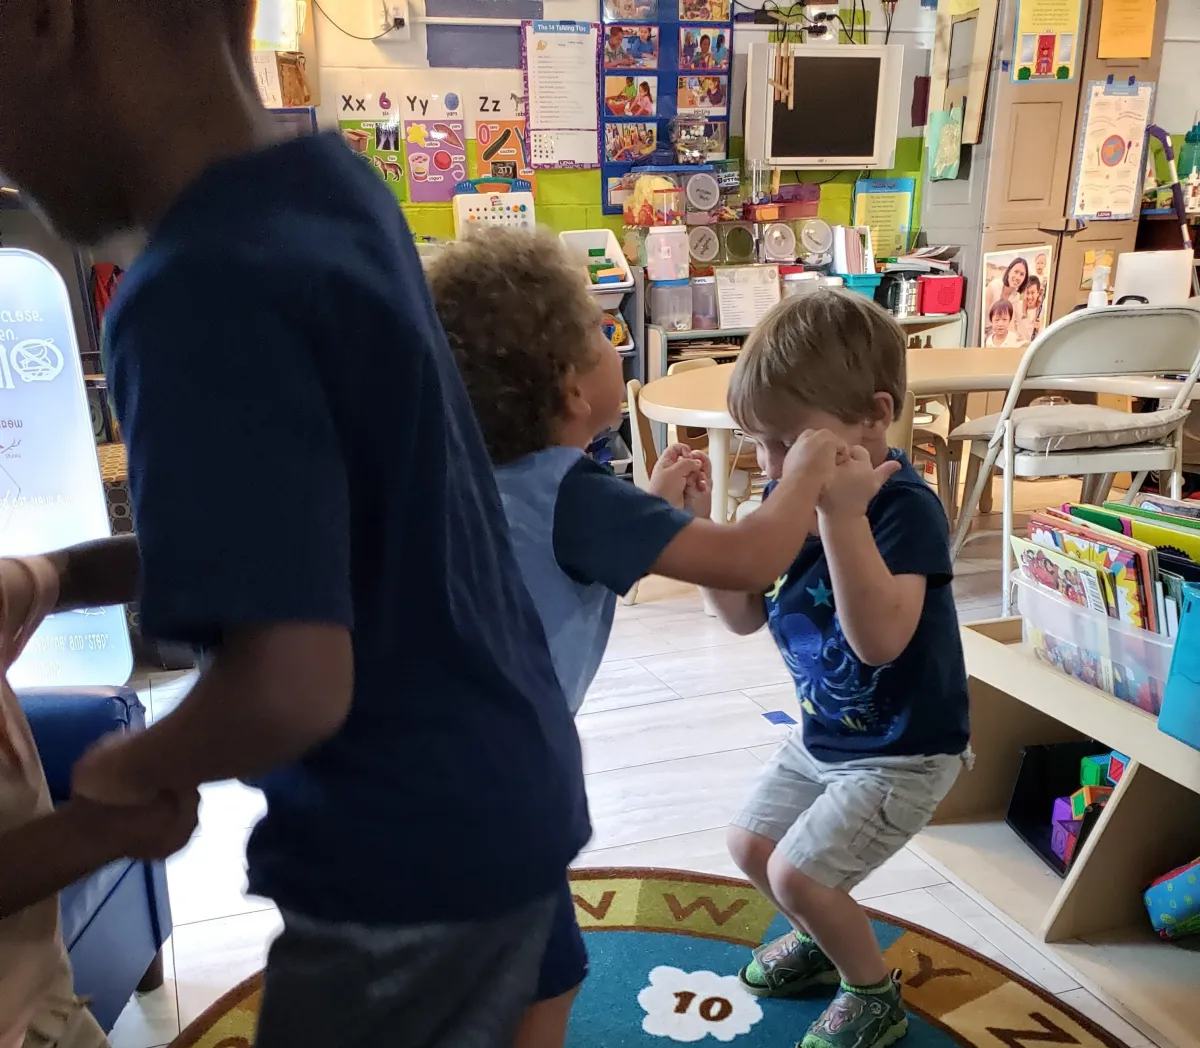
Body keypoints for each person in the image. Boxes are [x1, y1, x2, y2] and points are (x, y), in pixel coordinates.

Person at [0, 4, 590, 1047]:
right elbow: (309, 531)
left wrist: (125, 771)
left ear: (46, 23)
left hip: (398, 856)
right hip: (506, 778)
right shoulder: (339, 192)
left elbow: (291, 684)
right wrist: (54, 576)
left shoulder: (189, 294)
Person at [426, 231, 900, 1048]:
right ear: (575, 390)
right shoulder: (575, 497)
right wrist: (801, 479)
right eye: (605, 341)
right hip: (501, 784)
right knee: (545, 971)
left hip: (419, 769)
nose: (618, 353)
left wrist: (652, 503)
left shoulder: (459, 470)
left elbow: (573, 564)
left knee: (460, 949)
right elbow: (754, 555)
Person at [710, 291, 971, 1048]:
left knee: (801, 876)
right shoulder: (791, 492)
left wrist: (841, 518)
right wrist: (701, 534)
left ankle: (873, 993)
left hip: (906, 751)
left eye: (784, 442)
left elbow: (880, 642)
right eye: (756, 443)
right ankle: (827, 949)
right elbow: (742, 615)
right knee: (750, 847)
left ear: (871, 416)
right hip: (827, 736)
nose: (767, 465)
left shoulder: (900, 509)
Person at [983, 256, 1028, 326]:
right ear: (1009, 271)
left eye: (1022, 274)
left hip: (994, 330)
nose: (1018, 277)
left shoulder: (1016, 296)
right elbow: (980, 314)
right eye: (1016, 272)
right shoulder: (993, 286)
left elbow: (1010, 323)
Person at [1016, 275, 1043, 344]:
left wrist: (1038, 330)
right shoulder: (1017, 307)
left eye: (1033, 293)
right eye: (1027, 293)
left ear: (1038, 293)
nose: (1030, 297)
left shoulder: (1043, 310)